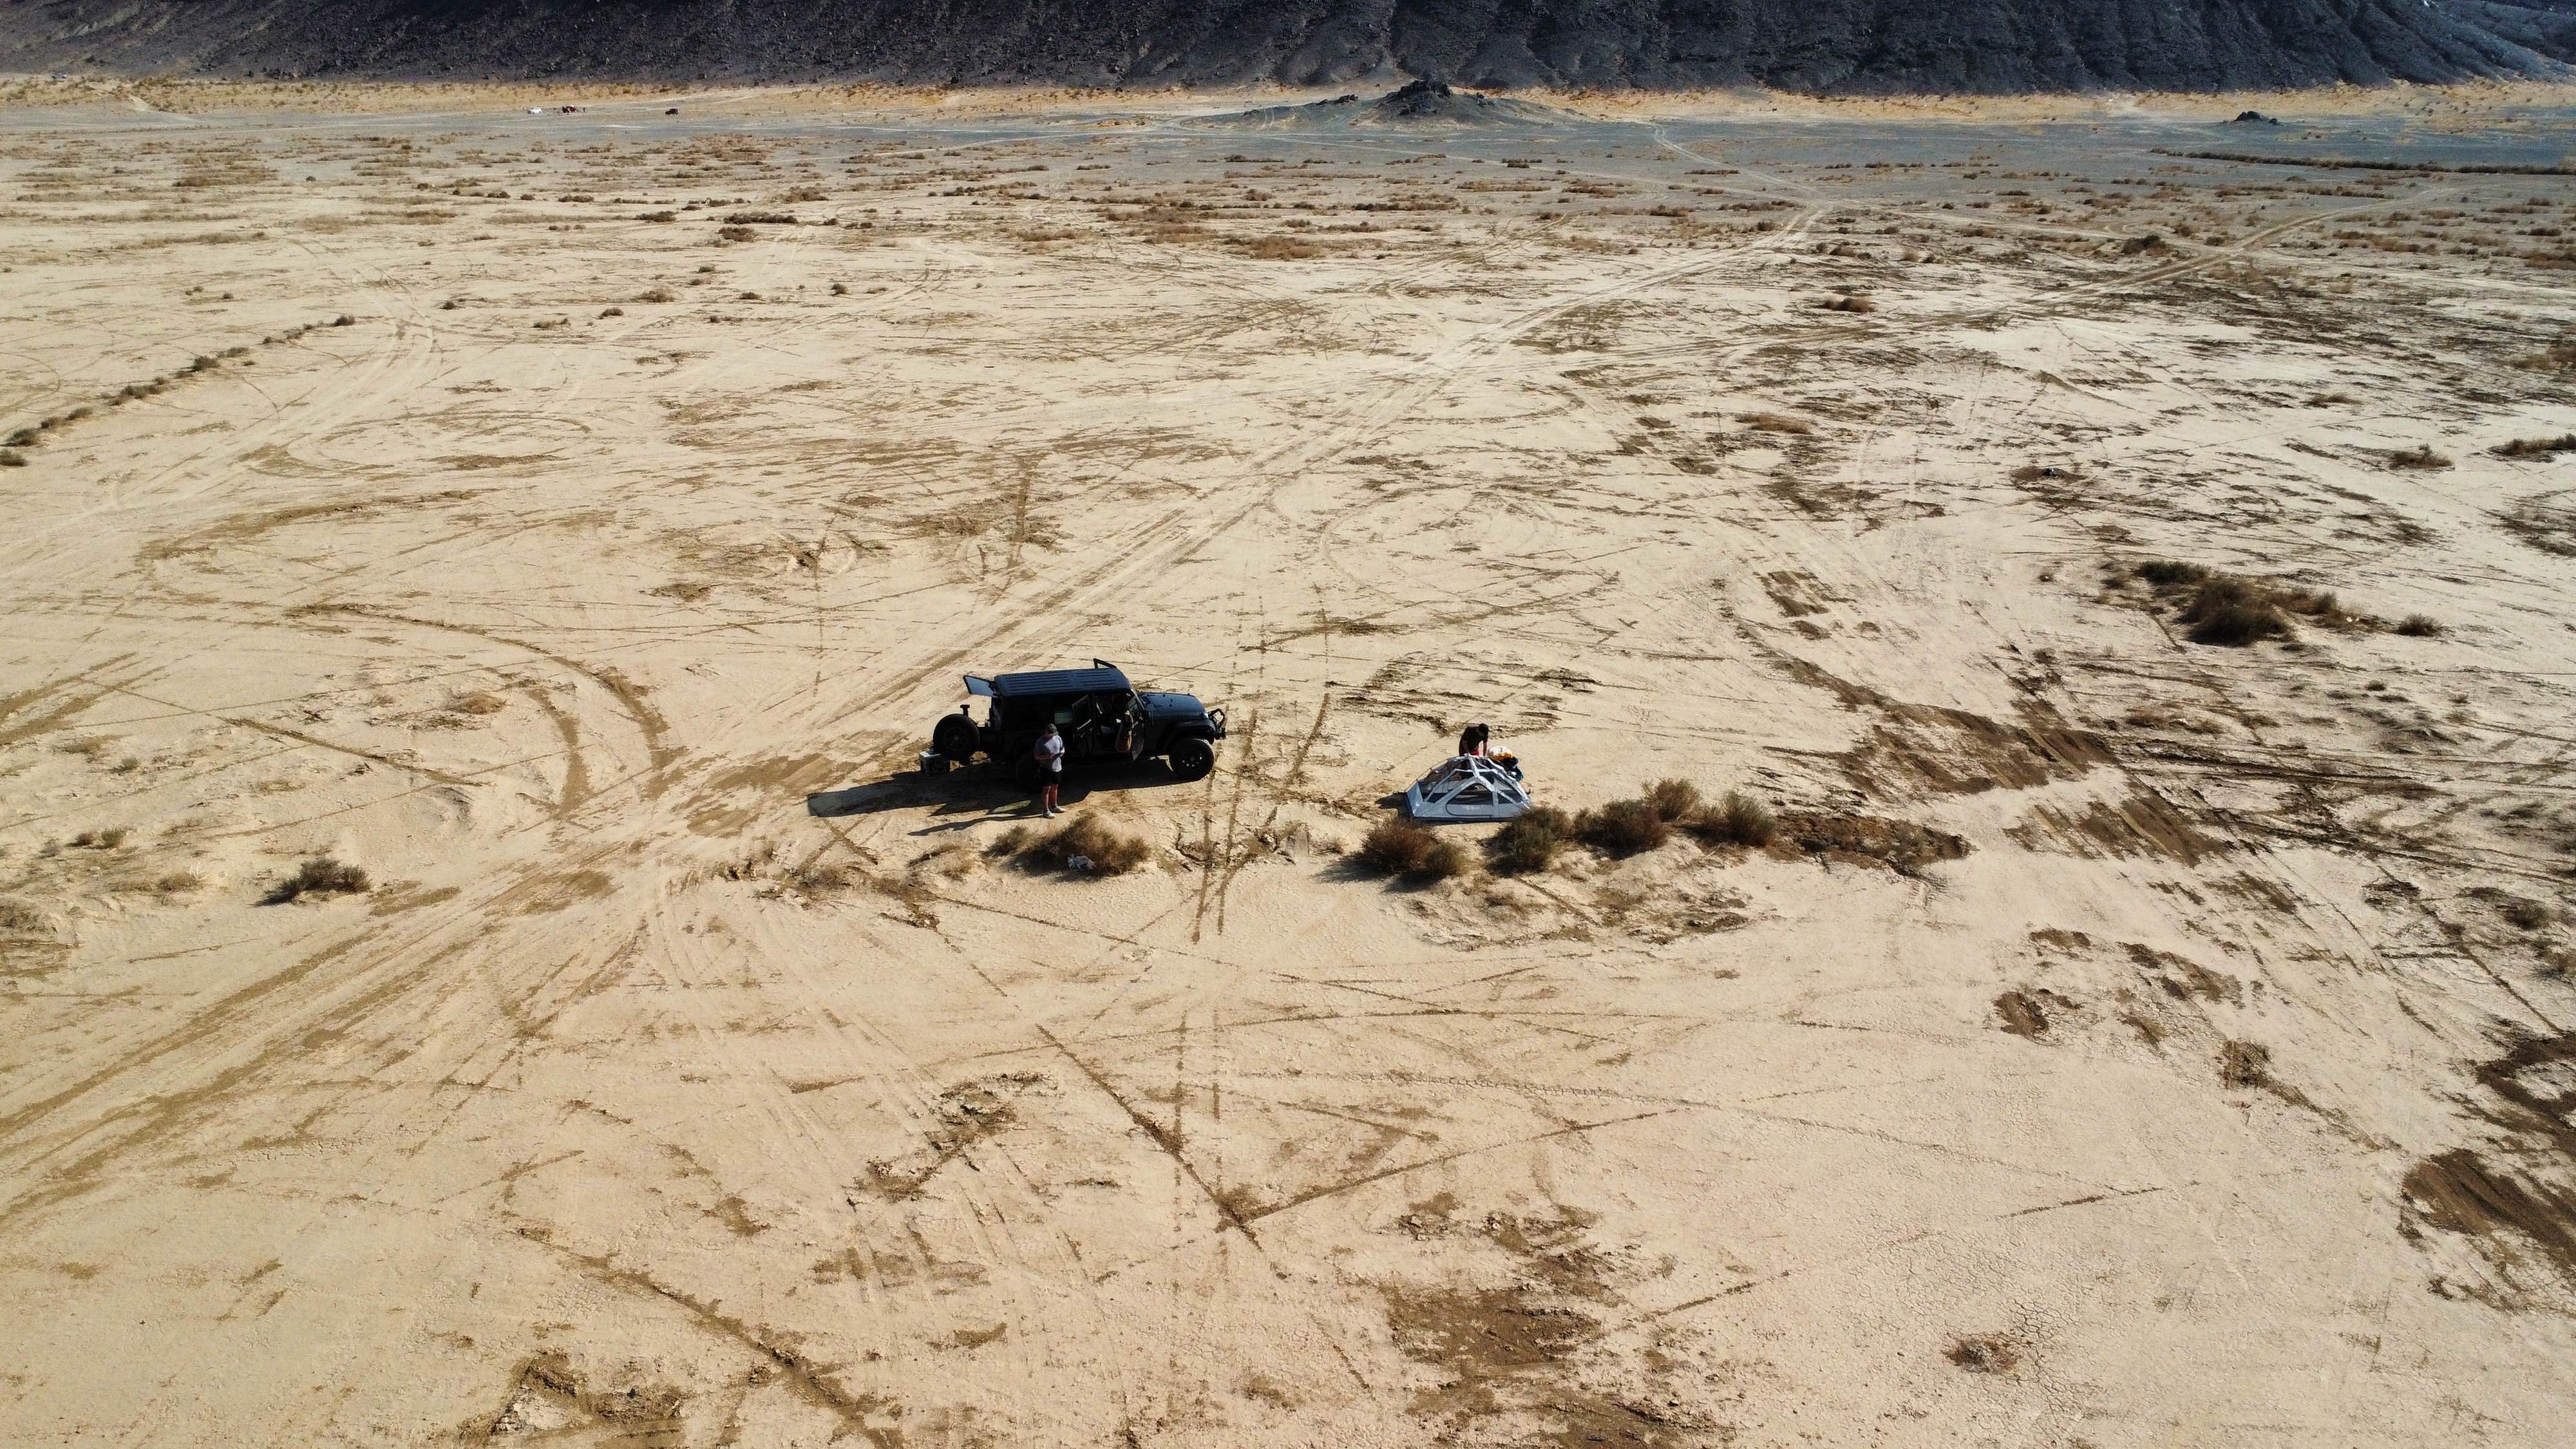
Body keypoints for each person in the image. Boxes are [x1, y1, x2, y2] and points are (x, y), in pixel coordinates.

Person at [1034, 723, 1066, 816]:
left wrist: (1062, 752)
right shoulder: (1040, 742)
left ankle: (1054, 806)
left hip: (1057, 767)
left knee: (1055, 787)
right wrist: (1047, 757)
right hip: (1046, 768)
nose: (1053, 736)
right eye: (1051, 734)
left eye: (1054, 734)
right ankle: (1046, 811)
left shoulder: (1058, 738)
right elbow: (1036, 757)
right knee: (1046, 789)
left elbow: (1062, 748)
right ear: (1046, 732)